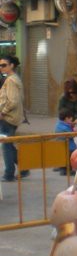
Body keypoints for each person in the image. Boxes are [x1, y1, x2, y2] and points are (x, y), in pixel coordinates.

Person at [0, 54, 29, 182]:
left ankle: (9, 173)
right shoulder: (13, 78)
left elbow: (13, 101)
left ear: (12, 65)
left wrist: (3, 112)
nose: (1, 67)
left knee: (6, 146)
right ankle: (24, 167)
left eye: (4, 65)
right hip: (12, 117)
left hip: (8, 118)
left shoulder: (11, 80)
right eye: (0, 65)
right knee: (9, 144)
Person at [54, 108, 77, 175]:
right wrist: (75, 132)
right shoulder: (65, 128)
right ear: (66, 118)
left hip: (60, 146)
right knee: (71, 157)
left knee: (65, 159)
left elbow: (69, 126)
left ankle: (62, 168)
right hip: (68, 146)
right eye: (70, 118)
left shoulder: (60, 125)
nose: (71, 119)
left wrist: (73, 124)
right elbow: (71, 135)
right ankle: (66, 170)